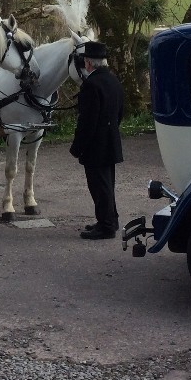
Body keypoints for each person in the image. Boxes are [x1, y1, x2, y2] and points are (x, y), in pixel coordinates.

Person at [69, 40, 124, 240]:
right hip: (111, 141)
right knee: (108, 184)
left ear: (88, 63)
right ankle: (109, 219)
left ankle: (106, 225)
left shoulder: (91, 85)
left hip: (96, 145)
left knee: (99, 187)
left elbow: (87, 121)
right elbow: (120, 113)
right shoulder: (113, 80)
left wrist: (77, 147)